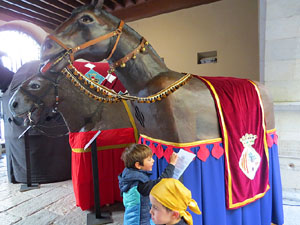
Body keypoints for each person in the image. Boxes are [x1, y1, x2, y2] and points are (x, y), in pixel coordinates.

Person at [118, 143, 178, 225]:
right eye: (149, 159)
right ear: (138, 165)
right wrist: (172, 164)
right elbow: (161, 182)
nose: (153, 161)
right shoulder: (140, 184)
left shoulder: (128, 175)